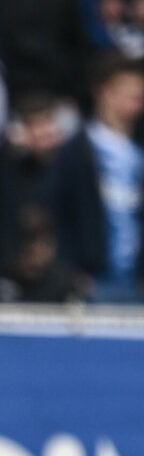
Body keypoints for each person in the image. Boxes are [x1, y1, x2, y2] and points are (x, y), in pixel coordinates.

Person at [44, 51, 144, 302]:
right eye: (126, 90)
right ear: (103, 92)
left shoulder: (138, 150)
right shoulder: (75, 152)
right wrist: (71, 273)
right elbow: (55, 214)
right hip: (92, 284)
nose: (135, 98)